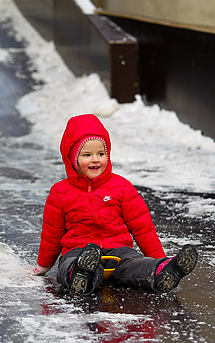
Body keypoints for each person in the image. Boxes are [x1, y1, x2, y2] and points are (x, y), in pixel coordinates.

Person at [31, 113, 198, 296]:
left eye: (101, 154)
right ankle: (80, 275)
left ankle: (161, 271)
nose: (96, 159)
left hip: (119, 251)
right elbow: (52, 233)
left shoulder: (121, 187)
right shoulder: (60, 192)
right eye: (87, 154)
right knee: (68, 264)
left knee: (135, 264)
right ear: (72, 159)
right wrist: (43, 265)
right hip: (78, 250)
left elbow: (142, 227)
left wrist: (159, 257)